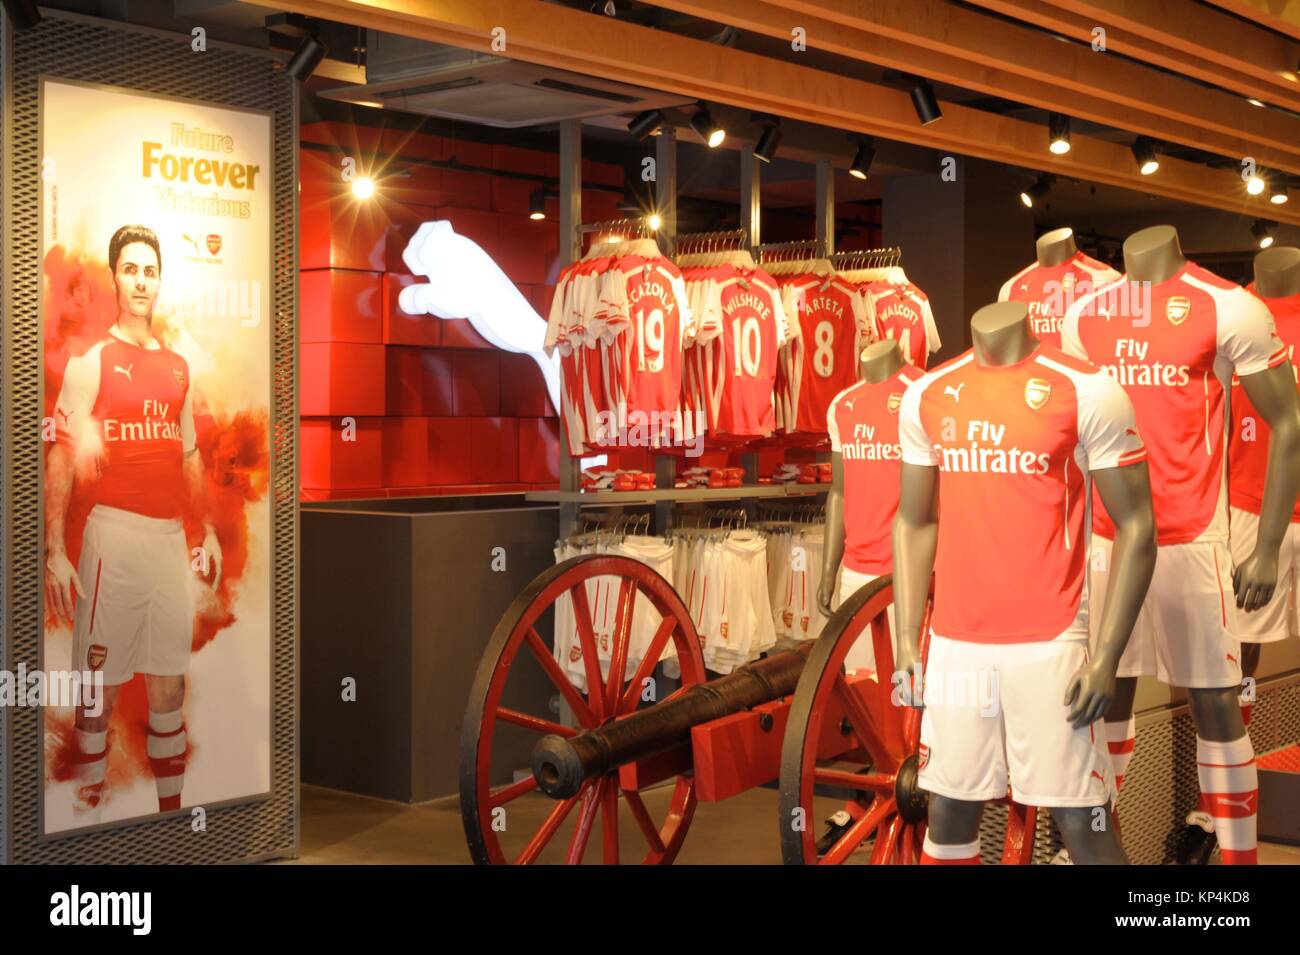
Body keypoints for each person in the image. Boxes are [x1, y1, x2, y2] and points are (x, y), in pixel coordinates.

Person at [45, 224, 221, 821]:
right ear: (115, 277)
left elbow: (189, 455)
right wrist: (53, 550)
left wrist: (206, 530)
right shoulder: (91, 363)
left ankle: (170, 825)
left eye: (151, 270)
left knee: (169, 687)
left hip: (167, 544)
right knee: (98, 692)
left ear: (158, 279)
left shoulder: (176, 367)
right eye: (131, 269)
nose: (141, 280)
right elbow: (62, 455)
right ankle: (87, 820)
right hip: (111, 540)